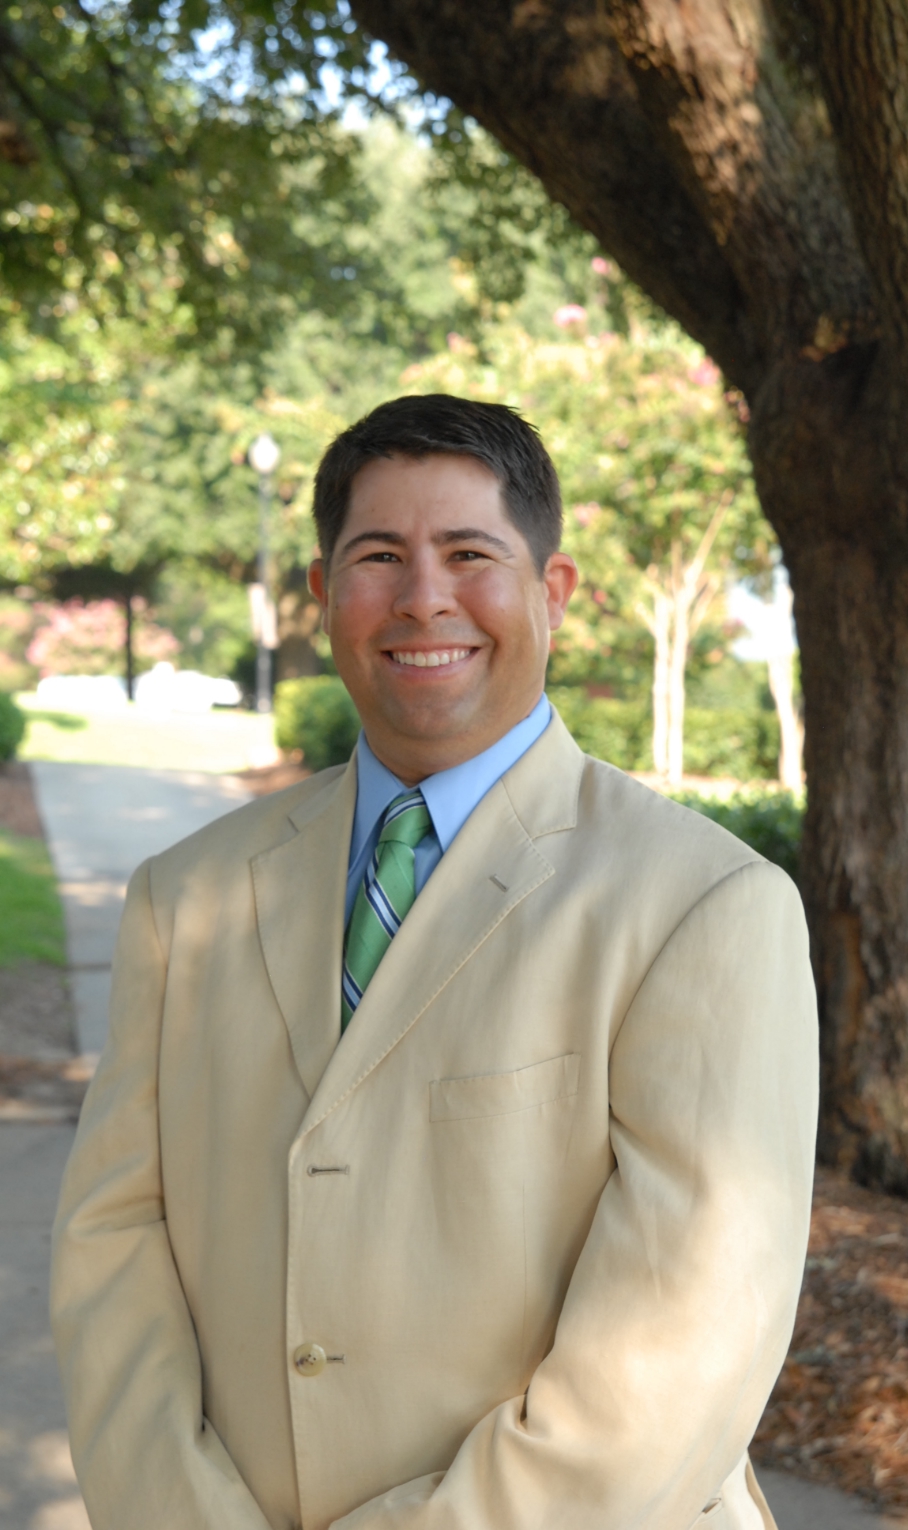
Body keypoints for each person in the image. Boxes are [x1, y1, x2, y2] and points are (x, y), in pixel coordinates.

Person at [52, 394, 818, 1530]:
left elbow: (679, 1350)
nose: (422, 597)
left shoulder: (704, 908)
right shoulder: (187, 896)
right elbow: (113, 1243)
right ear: (322, 594)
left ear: (552, 592)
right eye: (378, 557)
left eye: (469, 554)